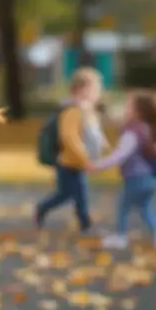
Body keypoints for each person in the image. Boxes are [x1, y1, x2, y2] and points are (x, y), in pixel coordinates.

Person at [88, 91, 156, 249]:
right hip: (149, 179)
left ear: (137, 112)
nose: (123, 110)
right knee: (146, 208)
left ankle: (120, 237)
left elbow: (119, 154)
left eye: (127, 107)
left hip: (136, 179)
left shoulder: (132, 132)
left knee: (123, 206)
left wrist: (98, 165)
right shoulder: (146, 128)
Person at [34, 67, 103, 233]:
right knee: (75, 193)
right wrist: (84, 159)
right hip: (68, 161)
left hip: (76, 161)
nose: (97, 93)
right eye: (93, 89)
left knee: (69, 193)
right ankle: (83, 221)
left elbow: (92, 135)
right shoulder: (72, 111)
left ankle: (81, 220)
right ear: (79, 89)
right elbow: (69, 138)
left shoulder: (85, 111)